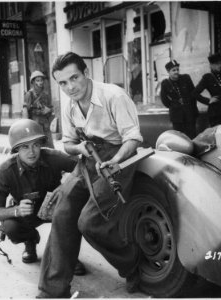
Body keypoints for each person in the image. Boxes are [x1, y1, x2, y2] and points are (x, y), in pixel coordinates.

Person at [37, 52, 143, 298]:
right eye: (62, 83)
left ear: (86, 73)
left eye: (74, 78)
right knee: (62, 213)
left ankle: (132, 264)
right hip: (88, 159)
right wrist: (79, 148)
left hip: (119, 158)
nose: (70, 87)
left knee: (90, 223)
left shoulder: (113, 96)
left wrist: (114, 161)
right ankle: (52, 291)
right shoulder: (69, 105)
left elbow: (133, 139)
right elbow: (68, 143)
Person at [0, 119, 86, 275]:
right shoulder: (4, 172)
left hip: (56, 207)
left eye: (35, 145)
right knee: (10, 227)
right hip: (27, 213)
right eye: (24, 147)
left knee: (74, 209)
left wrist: (66, 184)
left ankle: (68, 255)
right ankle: (30, 240)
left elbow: (83, 167)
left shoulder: (53, 157)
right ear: (16, 150)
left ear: (41, 145)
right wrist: (16, 211)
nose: (31, 152)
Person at [160, 59, 200, 139]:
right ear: (168, 72)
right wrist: (174, 105)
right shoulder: (165, 83)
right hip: (177, 117)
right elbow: (164, 100)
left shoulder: (186, 78)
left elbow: (193, 95)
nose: (176, 72)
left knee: (192, 137)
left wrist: (193, 111)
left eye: (177, 69)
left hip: (190, 115)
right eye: (173, 70)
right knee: (180, 139)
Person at [22, 71, 55, 148]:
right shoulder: (29, 94)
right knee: (37, 146)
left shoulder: (46, 95)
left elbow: (51, 109)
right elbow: (25, 110)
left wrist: (49, 110)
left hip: (46, 125)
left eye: (41, 80)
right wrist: (26, 126)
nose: (40, 82)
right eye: (38, 80)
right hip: (35, 124)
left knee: (49, 146)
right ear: (33, 82)